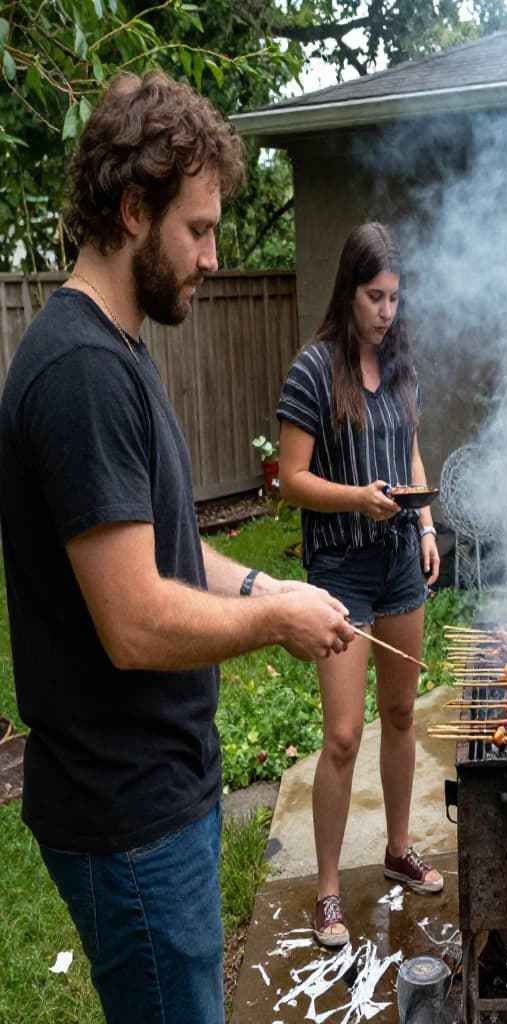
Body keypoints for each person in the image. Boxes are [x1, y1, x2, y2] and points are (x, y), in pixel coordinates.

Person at [0, 71, 355, 1024]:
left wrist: (264, 580)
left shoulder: (121, 351)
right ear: (131, 209)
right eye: (197, 229)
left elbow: (170, 556)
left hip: (162, 794)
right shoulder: (79, 373)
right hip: (129, 819)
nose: (211, 255)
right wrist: (276, 620)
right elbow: (134, 622)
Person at [277, 222, 442, 948]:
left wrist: (426, 524)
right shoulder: (312, 371)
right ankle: (328, 891)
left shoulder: (401, 367)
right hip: (341, 567)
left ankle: (398, 848)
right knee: (343, 734)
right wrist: (358, 497)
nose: (386, 311)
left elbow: (408, 446)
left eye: (395, 299)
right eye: (375, 297)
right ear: (348, 292)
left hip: (401, 558)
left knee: (402, 715)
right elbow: (291, 481)